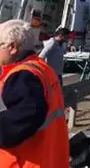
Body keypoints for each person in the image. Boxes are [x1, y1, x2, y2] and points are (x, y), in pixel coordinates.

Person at [0, 19, 69, 167]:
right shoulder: (41, 68)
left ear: (12, 47)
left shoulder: (22, 77)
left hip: (25, 161)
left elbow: (20, 122)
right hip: (48, 157)